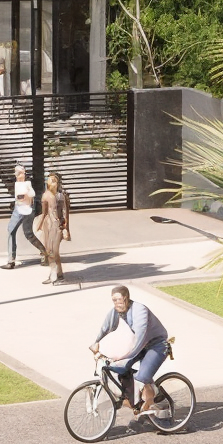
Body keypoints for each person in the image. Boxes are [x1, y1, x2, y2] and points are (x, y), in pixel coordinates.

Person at [90, 284, 169, 416]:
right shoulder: (117, 311)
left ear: (126, 298)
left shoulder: (140, 310)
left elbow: (139, 337)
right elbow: (106, 327)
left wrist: (124, 356)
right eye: (113, 300)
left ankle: (157, 410)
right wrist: (96, 342)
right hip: (141, 347)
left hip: (156, 345)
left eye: (118, 300)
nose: (116, 303)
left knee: (141, 376)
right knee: (121, 371)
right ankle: (143, 401)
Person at [36, 168, 72, 284]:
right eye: (49, 180)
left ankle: (55, 275)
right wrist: (40, 225)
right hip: (48, 225)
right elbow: (44, 212)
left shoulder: (62, 196)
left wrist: (66, 229)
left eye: (53, 180)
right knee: (49, 251)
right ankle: (57, 274)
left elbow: (66, 213)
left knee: (53, 251)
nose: (51, 182)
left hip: (58, 226)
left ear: (58, 183)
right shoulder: (45, 196)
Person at [1, 162, 40, 268]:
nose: (18, 176)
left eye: (20, 173)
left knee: (28, 234)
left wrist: (26, 194)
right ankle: (11, 260)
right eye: (17, 173)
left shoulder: (27, 183)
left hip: (26, 209)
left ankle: (46, 253)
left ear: (24, 174)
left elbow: (32, 194)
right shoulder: (17, 184)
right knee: (11, 230)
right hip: (18, 209)